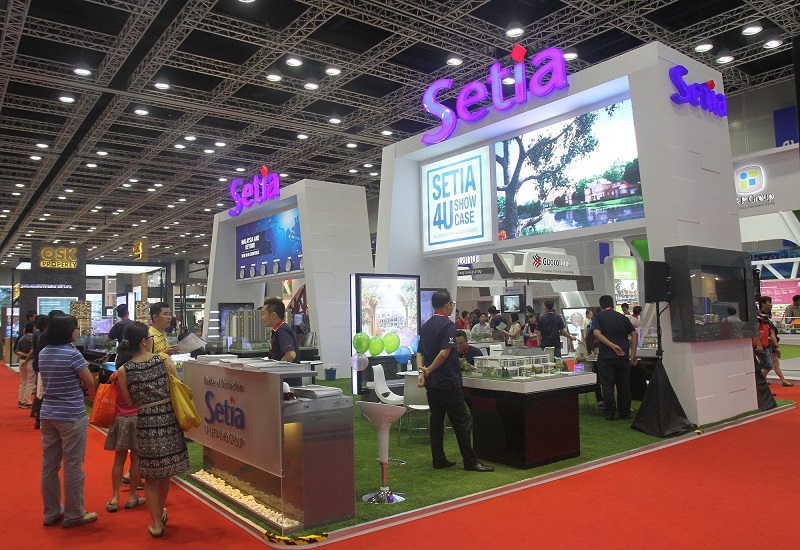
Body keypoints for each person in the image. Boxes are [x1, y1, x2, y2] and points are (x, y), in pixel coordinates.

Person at [116, 321, 189, 538]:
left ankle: (156, 522)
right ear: (144, 342)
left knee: (150, 475)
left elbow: (129, 402)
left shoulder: (123, 370)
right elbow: (178, 384)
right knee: (164, 472)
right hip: (167, 419)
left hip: (146, 422)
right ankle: (159, 513)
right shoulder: (163, 359)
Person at [417, 289, 493, 472]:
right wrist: (428, 370)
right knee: (461, 420)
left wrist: (422, 372)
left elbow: (420, 352)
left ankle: (438, 459)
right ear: (447, 305)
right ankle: (470, 461)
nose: (452, 306)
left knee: (436, 420)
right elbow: (444, 353)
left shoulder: (426, 325)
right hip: (447, 381)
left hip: (432, 383)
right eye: (451, 303)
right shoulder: (447, 325)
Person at [39, 314, 97, 528]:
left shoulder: (44, 352)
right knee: (73, 466)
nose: (77, 331)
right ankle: (74, 513)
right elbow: (90, 382)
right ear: (68, 331)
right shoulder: (72, 354)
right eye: (75, 328)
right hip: (71, 414)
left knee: (49, 466)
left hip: (48, 413)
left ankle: (51, 512)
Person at [103, 361, 145, 513]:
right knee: (136, 458)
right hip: (137, 418)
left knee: (118, 458)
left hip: (120, 418)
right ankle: (132, 496)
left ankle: (114, 497)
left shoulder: (116, 375)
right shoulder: (138, 374)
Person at [593, 295, 638, 421]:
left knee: (608, 386)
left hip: (606, 357)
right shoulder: (622, 317)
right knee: (623, 385)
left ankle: (610, 412)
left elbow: (597, 334)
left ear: (601, 305)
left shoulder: (598, 317)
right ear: (612, 304)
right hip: (623, 356)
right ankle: (625, 412)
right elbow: (634, 334)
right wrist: (633, 353)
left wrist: (612, 346)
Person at [756, 297, 793, 387]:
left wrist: (775, 346)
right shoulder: (759, 315)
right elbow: (755, 330)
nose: (771, 304)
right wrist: (759, 344)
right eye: (769, 302)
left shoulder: (766, 317)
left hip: (768, 345)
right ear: (763, 304)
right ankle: (758, 383)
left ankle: (762, 385)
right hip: (763, 345)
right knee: (769, 365)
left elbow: (771, 333)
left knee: (769, 364)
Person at [15, 322, 35, 408]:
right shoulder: (32, 338)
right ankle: (26, 401)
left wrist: (25, 356)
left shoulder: (22, 338)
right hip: (30, 361)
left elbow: (16, 351)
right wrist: (28, 357)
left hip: (21, 360)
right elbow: (32, 350)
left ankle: (20, 400)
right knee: (30, 382)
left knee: (23, 382)